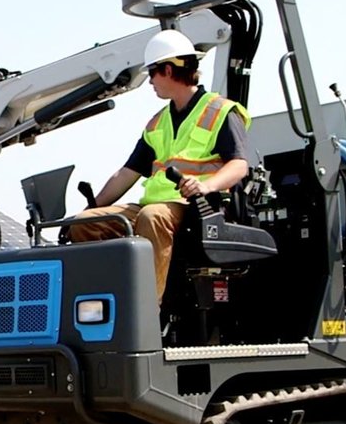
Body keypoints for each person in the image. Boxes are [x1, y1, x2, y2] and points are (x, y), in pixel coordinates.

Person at [69, 28, 252, 301]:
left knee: (152, 217)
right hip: (152, 206)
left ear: (168, 70)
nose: (150, 81)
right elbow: (126, 173)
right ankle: (105, 301)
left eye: (152, 73)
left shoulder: (220, 111)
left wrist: (205, 185)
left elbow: (239, 165)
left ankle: (146, 309)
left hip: (195, 208)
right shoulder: (158, 122)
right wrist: (91, 207)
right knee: (84, 223)